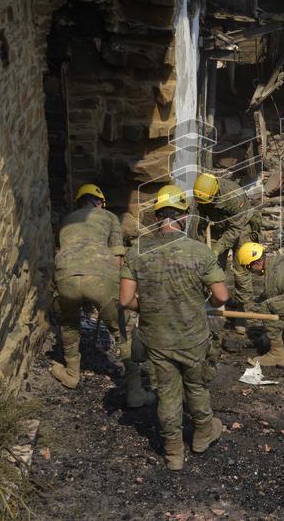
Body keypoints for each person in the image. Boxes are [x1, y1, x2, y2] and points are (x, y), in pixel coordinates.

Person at [119, 185, 230, 470]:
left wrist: (147, 308)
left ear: (157, 217)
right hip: (192, 336)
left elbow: (125, 300)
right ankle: (203, 434)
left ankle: (173, 453)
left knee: (167, 393)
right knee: (196, 385)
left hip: (157, 339)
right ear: (184, 216)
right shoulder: (199, 251)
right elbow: (221, 297)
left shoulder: (137, 252)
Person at [52, 183, 150, 409]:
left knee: (69, 324)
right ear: (100, 202)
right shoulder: (109, 217)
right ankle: (135, 392)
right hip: (101, 276)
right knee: (121, 332)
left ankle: (71, 373)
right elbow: (118, 256)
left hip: (66, 275)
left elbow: (61, 251)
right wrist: (116, 289)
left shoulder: (67, 220)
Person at [193, 172, 262, 333]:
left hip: (241, 228)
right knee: (212, 267)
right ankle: (214, 304)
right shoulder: (202, 195)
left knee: (241, 271)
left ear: (216, 193)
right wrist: (203, 248)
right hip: (218, 227)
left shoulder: (234, 196)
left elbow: (235, 229)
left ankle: (242, 311)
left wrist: (217, 249)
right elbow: (201, 223)